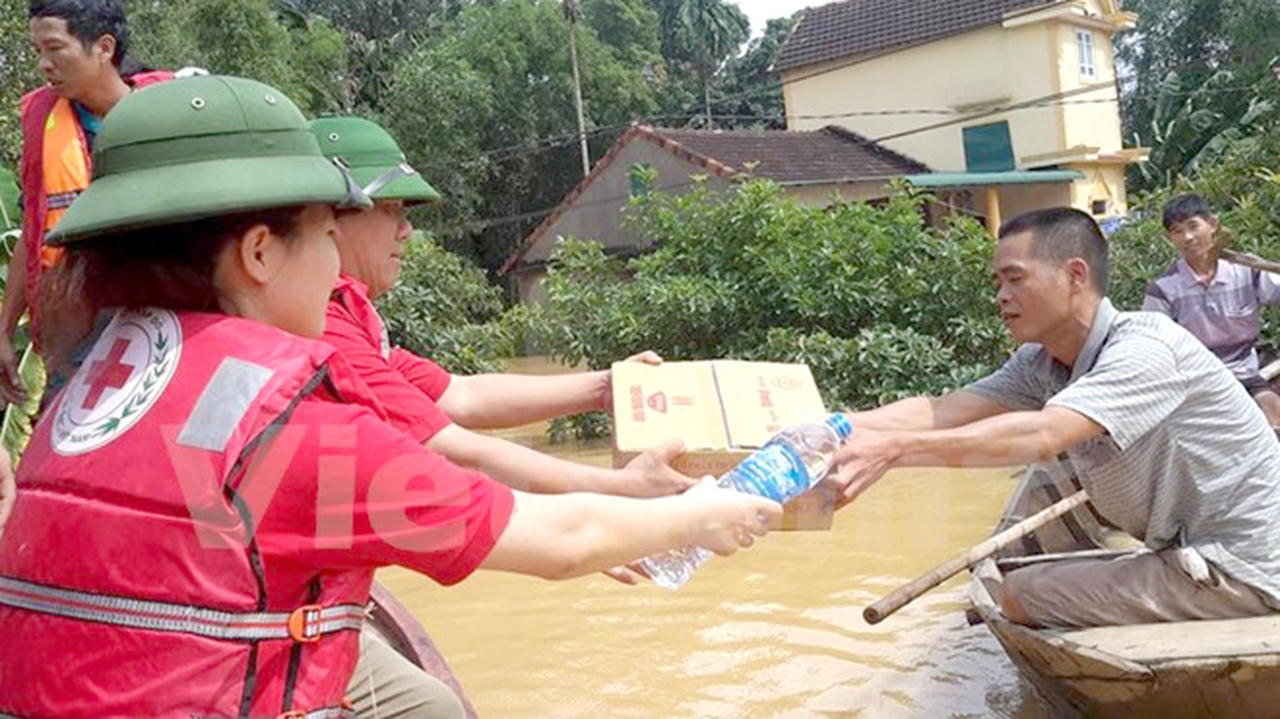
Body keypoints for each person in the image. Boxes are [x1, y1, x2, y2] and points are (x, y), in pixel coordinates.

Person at [0, 75, 781, 718]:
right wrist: (706, 515)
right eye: (325, 233)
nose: (340, 255)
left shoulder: (82, 387)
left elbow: (208, 528)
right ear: (262, 253)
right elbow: (561, 539)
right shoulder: (288, 434)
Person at [310, 116, 697, 716]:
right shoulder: (324, 323)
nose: (407, 230)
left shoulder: (353, 317)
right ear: (329, 218)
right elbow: (450, 448)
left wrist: (602, 387)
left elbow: (460, 396)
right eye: (391, 209)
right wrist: (619, 491)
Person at [831, 207, 1280, 629]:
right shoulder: (1040, 362)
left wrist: (892, 451)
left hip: (1248, 567)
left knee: (1017, 592)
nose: (1001, 297)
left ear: (1074, 275)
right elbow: (944, 411)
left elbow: (1045, 435)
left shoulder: (1145, 347)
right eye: (997, 284)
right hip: (1196, 553)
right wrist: (831, 428)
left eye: (1015, 280)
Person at [0, 0, 174, 405]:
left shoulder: (168, 117)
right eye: (38, 52)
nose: (43, 64)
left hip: (162, 323)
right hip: (74, 335)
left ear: (104, 47)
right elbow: (34, 228)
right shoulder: (46, 126)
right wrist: (5, 331)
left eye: (55, 49)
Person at [1142, 193, 1280, 425]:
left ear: (1212, 224)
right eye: (1177, 231)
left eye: (1193, 226)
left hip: (1243, 374)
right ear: (1170, 239)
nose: (1188, 237)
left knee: (1273, 408)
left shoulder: (1247, 270)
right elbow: (1152, 347)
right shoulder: (1163, 289)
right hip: (1195, 383)